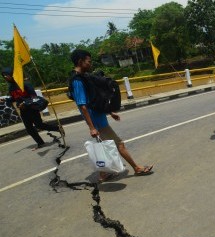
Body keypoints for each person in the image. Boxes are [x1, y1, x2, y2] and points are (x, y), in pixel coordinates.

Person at [69, 49, 153, 181]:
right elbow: (82, 105)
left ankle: (103, 174)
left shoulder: (84, 77)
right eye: (88, 62)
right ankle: (137, 168)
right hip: (97, 121)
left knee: (104, 146)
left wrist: (109, 112)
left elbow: (94, 99)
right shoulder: (77, 81)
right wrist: (92, 127)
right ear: (80, 61)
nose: (91, 64)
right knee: (119, 144)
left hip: (98, 117)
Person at [1, 67, 64, 150]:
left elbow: (34, 97)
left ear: (12, 74)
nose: (5, 77)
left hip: (32, 108)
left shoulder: (25, 84)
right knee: (29, 129)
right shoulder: (11, 87)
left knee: (39, 125)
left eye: (7, 75)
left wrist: (25, 103)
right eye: (3, 76)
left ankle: (57, 128)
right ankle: (40, 143)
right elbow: (14, 98)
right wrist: (5, 100)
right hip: (23, 111)